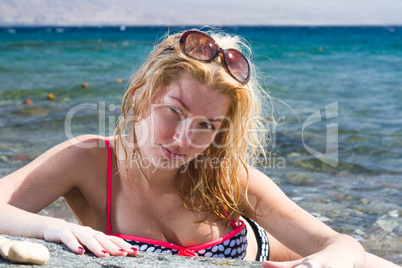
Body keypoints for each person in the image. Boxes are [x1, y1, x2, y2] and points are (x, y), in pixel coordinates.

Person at [0, 29, 398, 268]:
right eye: (174, 111)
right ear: (142, 96)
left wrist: (324, 261)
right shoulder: (87, 160)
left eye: (207, 125)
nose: (183, 139)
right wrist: (54, 228)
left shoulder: (226, 176)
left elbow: (340, 244)